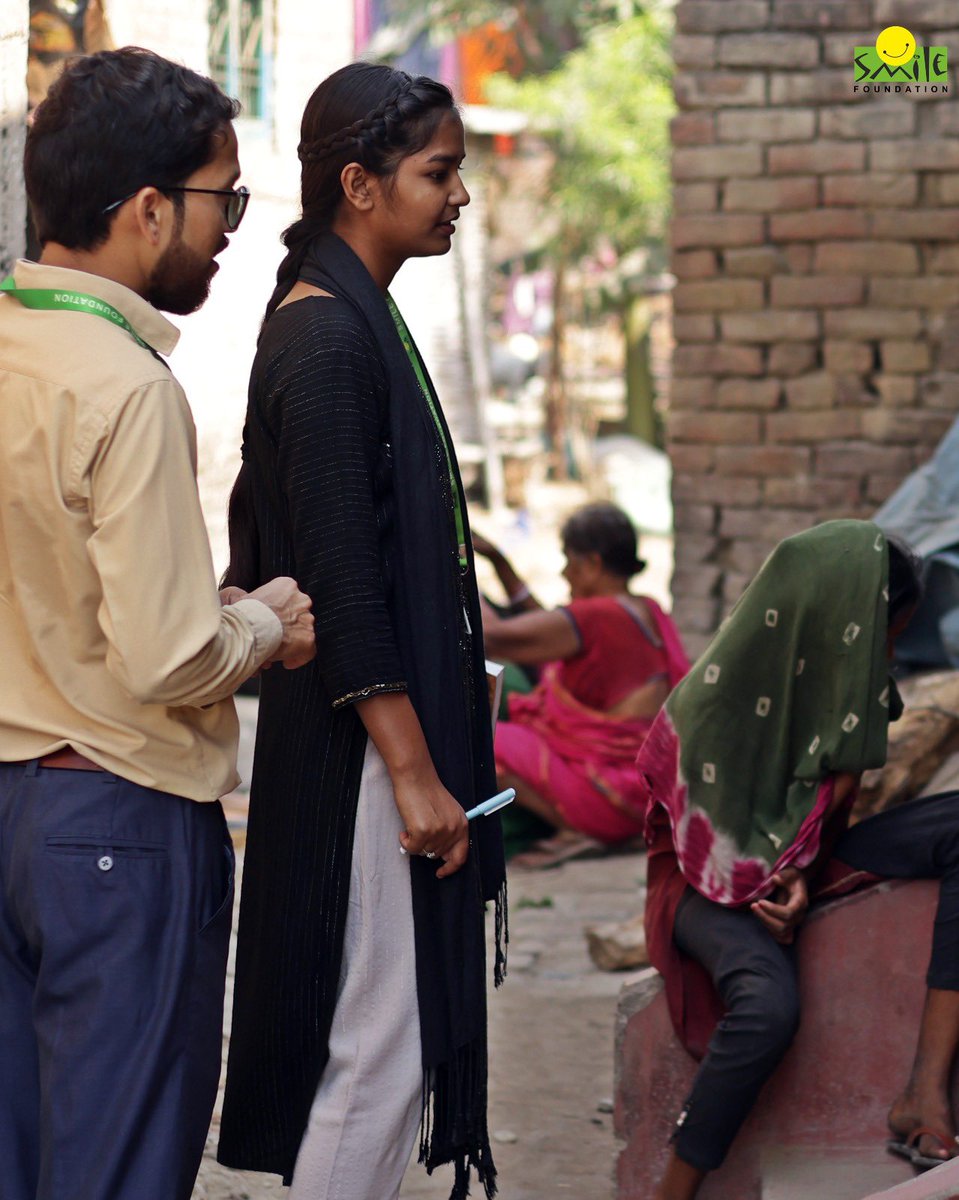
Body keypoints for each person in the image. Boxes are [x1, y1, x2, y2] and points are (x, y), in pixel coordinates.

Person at [0, 49, 316, 1200]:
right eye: (221, 198)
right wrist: (265, 627)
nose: (232, 226)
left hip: (10, 798)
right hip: (115, 826)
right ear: (144, 211)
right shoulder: (126, 387)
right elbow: (168, 654)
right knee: (120, 1165)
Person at [215, 63, 506, 1200]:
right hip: (363, 755)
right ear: (358, 183)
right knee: (375, 1062)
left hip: (363, 745)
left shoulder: (345, 315)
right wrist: (415, 774)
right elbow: (341, 577)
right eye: (439, 174)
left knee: (376, 1049)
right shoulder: (329, 340)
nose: (458, 198)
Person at [636, 520, 959, 1200]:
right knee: (764, 1009)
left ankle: (923, 1093)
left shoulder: (849, 693)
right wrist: (781, 880)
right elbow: (712, 839)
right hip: (704, 879)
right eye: (886, 633)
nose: (889, 652)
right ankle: (673, 1188)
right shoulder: (717, 700)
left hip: (805, 861)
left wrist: (802, 872)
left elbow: (826, 819)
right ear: (843, 621)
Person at [477, 503, 689, 867]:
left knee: (481, 740)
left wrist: (452, 569)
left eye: (569, 562)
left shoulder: (599, 616)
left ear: (591, 563)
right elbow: (546, 628)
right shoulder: (644, 608)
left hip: (608, 799)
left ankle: (577, 827)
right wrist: (498, 562)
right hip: (648, 794)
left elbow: (494, 638)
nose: (564, 574)